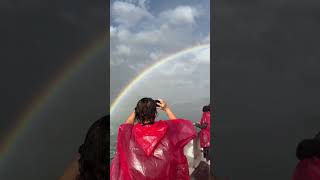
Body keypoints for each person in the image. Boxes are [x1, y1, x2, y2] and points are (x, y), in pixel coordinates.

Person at [110, 97, 197, 180]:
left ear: (138, 114)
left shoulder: (128, 134)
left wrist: (138, 109)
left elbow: (126, 125)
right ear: (155, 113)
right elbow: (180, 127)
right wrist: (166, 108)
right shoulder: (167, 129)